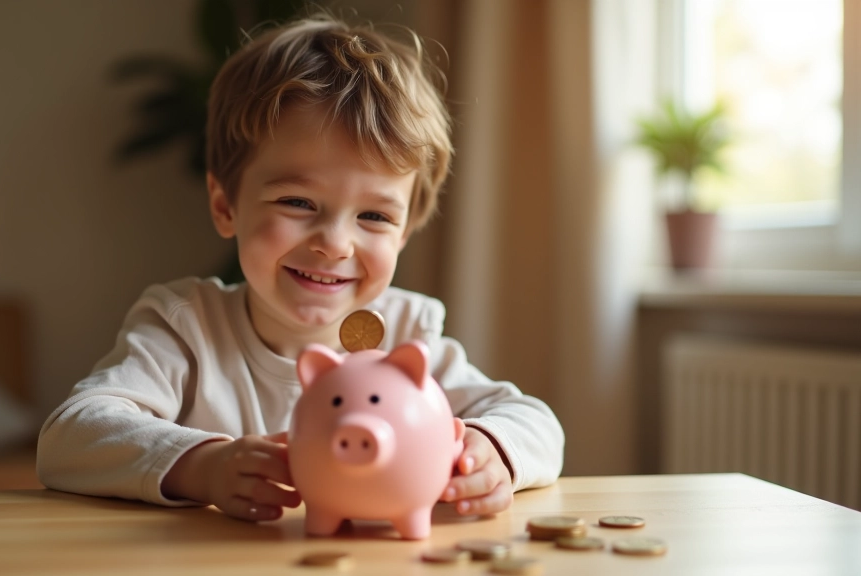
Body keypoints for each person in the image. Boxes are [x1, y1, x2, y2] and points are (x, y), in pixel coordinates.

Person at [37, 13, 564, 523]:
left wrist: (491, 449)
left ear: (404, 233)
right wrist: (204, 465)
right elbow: (71, 436)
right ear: (226, 206)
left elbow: (538, 423)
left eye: (374, 216)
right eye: (297, 202)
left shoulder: (409, 338)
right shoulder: (185, 327)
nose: (335, 244)